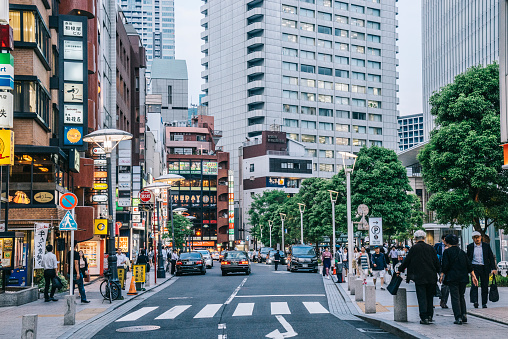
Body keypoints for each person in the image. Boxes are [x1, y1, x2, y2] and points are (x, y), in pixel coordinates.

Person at [396, 230, 440, 325]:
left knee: (421, 297)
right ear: (424, 238)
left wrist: (399, 270)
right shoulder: (431, 248)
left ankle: (424, 317)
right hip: (431, 276)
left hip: (419, 277)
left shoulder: (414, 248)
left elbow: (406, 261)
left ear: (415, 238)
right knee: (429, 297)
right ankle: (429, 315)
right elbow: (436, 262)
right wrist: (440, 273)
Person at [440, 234, 478, 325]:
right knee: (461, 295)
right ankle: (464, 314)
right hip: (463, 278)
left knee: (455, 297)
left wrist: (441, 275)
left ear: (448, 242)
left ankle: (458, 317)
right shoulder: (462, 252)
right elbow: (469, 265)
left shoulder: (447, 252)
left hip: (452, 278)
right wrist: (474, 276)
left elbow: (445, 266)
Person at [467, 231, 497, 308]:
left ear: (481, 237)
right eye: (475, 237)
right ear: (473, 238)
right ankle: (475, 301)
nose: (477, 239)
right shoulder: (470, 247)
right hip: (474, 268)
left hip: (484, 268)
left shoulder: (486, 246)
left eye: (478, 237)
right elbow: (468, 258)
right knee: (474, 285)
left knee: (485, 285)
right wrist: (468, 269)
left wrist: (493, 268)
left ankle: (484, 303)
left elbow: (491, 257)